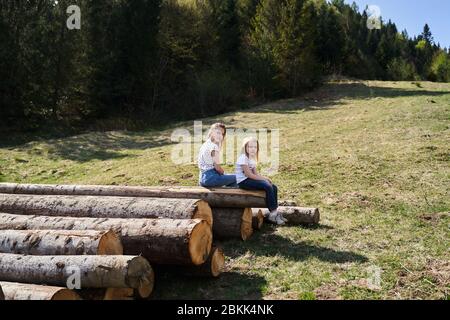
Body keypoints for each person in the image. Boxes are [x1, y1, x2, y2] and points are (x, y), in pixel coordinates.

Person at [235, 137, 286, 225]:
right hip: (243, 182)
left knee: (273, 187)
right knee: (267, 186)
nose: (253, 149)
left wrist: (265, 178)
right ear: (245, 148)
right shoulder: (243, 158)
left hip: (250, 179)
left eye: (255, 147)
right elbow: (248, 175)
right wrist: (264, 180)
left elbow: (256, 174)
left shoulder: (252, 159)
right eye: (250, 147)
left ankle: (274, 211)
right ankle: (273, 214)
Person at [198, 123, 237, 188]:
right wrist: (224, 173)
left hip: (202, 178)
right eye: (218, 133)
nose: (220, 135)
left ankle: (226, 193)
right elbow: (217, 168)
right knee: (237, 178)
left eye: (222, 134)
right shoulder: (214, 146)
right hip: (210, 178)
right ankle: (231, 195)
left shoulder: (204, 144)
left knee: (229, 178)